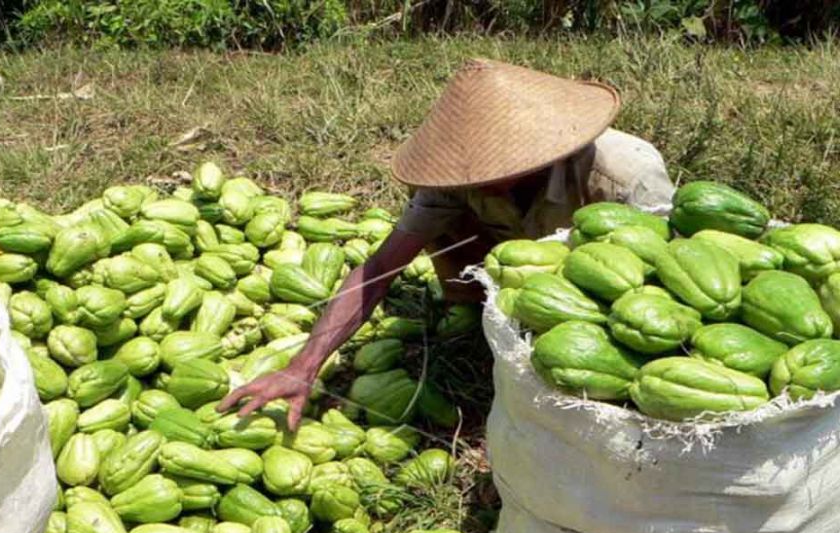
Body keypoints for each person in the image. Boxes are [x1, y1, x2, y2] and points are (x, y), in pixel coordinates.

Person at [218, 59, 675, 429]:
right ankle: (480, 316)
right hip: (523, 269)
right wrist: (304, 365)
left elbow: (664, 283)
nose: (480, 178)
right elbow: (380, 270)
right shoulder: (455, 177)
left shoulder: (626, 174)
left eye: (497, 168)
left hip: (612, 289)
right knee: (444, 224)